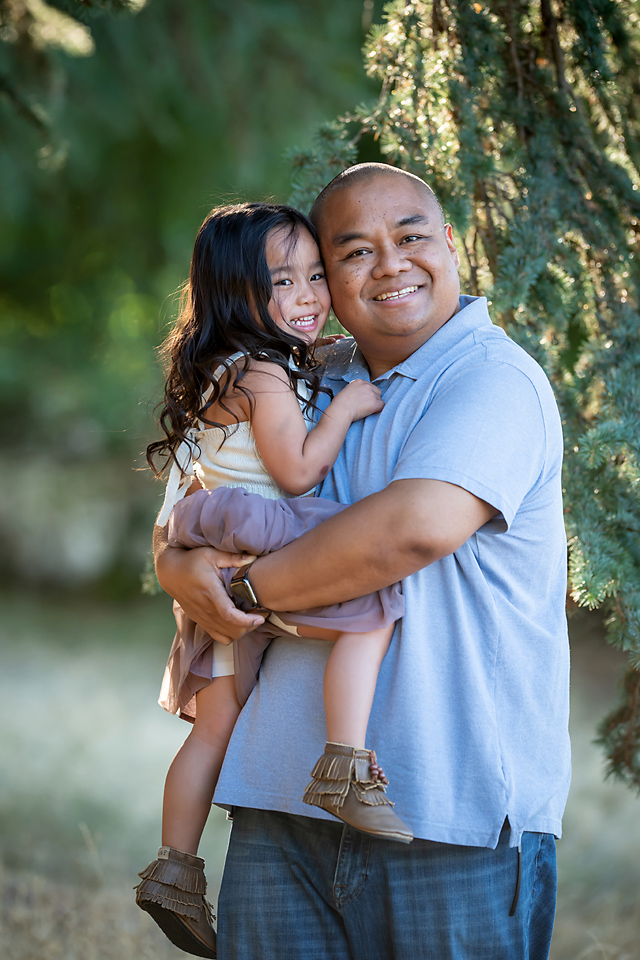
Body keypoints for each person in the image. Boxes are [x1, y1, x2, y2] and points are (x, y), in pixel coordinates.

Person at [155, 164, 571, 960]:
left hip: (448, 814)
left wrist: (236, 588)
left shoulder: (491, 380)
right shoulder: (307, 376)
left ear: (451, 245)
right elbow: (197, 495)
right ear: (328, 283)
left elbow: (407, 533)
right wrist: (178, 569)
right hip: (277, 800)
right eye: (352, 253)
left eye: (411, 238)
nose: (389, 264)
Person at [136, 201, 414, 960]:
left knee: (216, 727)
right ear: (235, 293)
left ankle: (175, 868)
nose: (307, 296)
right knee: (376, 603)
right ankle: (345, 763)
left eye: (316, 276)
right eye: (281, 281)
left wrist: (320, 359)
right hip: (260, 537)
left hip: (221, 548)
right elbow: (293, 471)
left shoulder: (235, 364)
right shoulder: (262, 371)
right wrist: (349, 405)